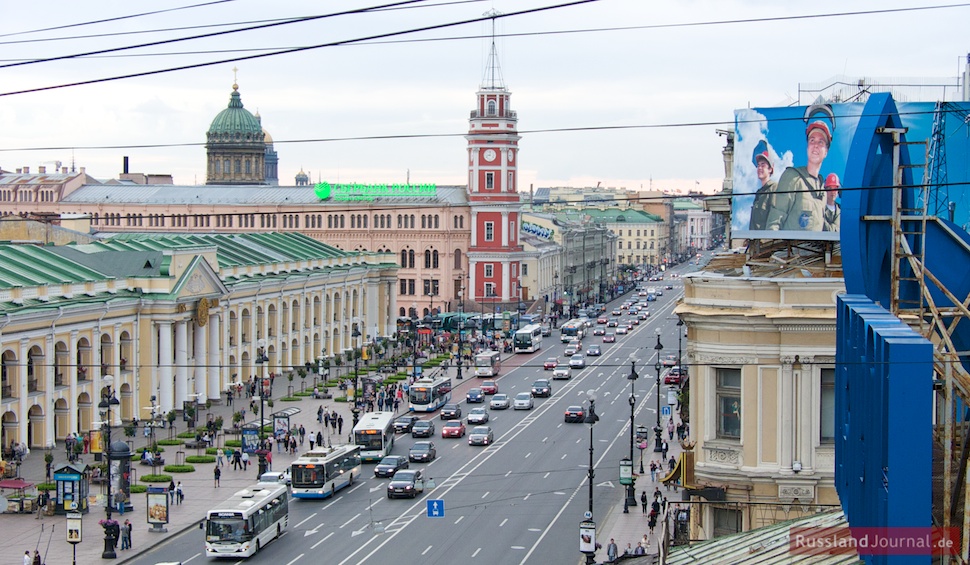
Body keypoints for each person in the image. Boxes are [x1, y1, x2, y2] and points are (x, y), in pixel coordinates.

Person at [765, 121, 832, 231]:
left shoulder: (822, 191)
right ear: (807, 147)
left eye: (821, 142)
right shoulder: (792, 177)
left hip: (814, 248)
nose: (815, 145)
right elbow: (775, 222)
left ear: (826, 152)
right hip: (790, 248)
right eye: (812, 140)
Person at [749, 150, 777, 230]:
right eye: (758, 165)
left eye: (763, 165)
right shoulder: (759, 193)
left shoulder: (774, 188)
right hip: (755, 240)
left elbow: (774, 218)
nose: (759, 168)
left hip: (766, 240)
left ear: (770, 169)